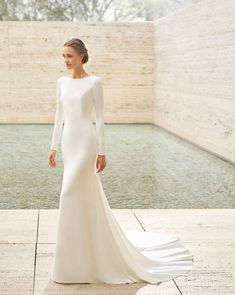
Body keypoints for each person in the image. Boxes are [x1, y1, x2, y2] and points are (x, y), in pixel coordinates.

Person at [48, 38, 194, 285]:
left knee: (68, 194)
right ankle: (76, 263)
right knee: (78, 197)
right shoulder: (62, 82)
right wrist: (53, 146)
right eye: (63, 55)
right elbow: (58, 115)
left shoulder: (95, 82)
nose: (66, 60)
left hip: (86, 142)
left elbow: (101, 118)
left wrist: (102, 151)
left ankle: (76, 262)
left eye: (70, 56)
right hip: (68, 143)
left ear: (82, 56)